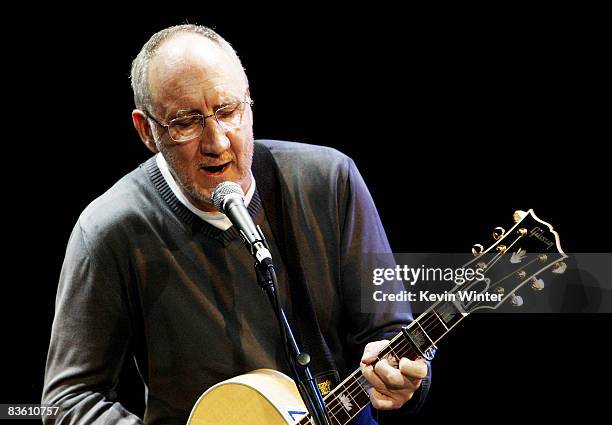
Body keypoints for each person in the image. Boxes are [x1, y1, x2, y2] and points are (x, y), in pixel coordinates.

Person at [42, 24, 430, 424]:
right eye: (186, 122)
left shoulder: (331, 181)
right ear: (147, 131)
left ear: (249, 103)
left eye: (228, 112)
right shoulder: (109, 230)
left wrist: (405, 383)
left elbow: (390, 335)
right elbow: (65, 402)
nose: (218, 142)